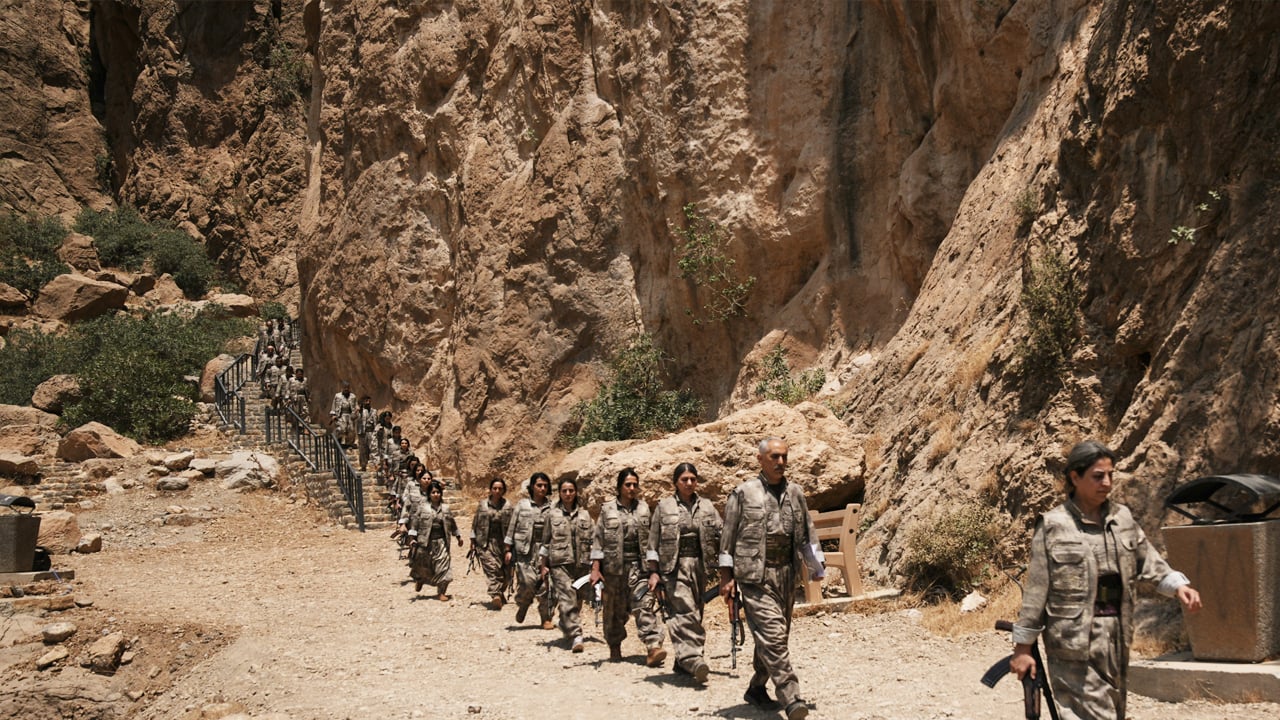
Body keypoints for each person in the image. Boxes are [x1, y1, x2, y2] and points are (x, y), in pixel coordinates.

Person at [1010, 440, 1202, 720]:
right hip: (1072, 643)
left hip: (1115, 636)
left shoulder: (1121, 518)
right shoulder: (1053, 525)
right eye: (1098, 476)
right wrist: (1023, 647)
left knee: (1113, 710)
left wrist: (1178, 585)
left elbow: (1146, 559)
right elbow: (1036, 591)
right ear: (1075, 477)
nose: (1107, 482)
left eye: (1110, 474)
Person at [719, 437, 823, 720]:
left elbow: (806, 533)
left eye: (784, 457)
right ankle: (791, 697)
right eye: (774, 457)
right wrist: (726, 577)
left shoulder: (795, 493)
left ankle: (755, 689)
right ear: (760, 459)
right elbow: (727, 538)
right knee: (774, 636)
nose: (780, 462)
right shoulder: (743, 493)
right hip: (754, 577)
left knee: (776, 637)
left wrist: (816, 566)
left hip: (786, 575)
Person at [646, 462, 723, 683]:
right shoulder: (664, 507)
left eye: (692, 479)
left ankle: (682, 663)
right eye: (684, 479)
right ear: (676, 483)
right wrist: (653, 573)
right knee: (685, 611)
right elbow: (653, 544)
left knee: (696, 612)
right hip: (674, 568)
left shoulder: (707, 506)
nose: (689, 483)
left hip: (700, 566)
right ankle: (693, 659)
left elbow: (722, 533)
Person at [589, 468, 665, 665]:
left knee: (644, 604)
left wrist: (655, 569)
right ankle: (615, 646)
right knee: (614, 610)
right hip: (614, 569)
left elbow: (651, 540)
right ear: (619, 487)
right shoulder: (607, 510)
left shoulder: (644, 508)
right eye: (628, 485)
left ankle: (653, 645)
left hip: (639, 568)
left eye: (635, 485)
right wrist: (596, 569)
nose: (632, 488)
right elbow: (598, 541)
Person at [539, 477, 595, 653]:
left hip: (582, 565)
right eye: (564, 491)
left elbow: (595, 540)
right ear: (560, 493)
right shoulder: (552, 515)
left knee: (577, 600)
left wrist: (596, 564)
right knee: (567, 598)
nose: (568, 494)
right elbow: (546, 541)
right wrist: (543, 564)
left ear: (576, 492)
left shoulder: (585, 515)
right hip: (560, 564)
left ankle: (566, 623)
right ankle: (576, 635)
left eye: (571, 490)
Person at [505, 472, 555, 628]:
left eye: (545, 486)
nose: (542, 488)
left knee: (546, 584)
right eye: (539, 485)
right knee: (527, 582)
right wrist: (508, 548)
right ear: (532, 487)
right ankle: (524, 604)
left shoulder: (553, 507)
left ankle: (546, 618)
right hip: (525, 550)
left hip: (545, 551)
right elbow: (512, 527)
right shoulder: (522, 505)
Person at [406, 479, 463, 600]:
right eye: (433, 492)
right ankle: (420, 580)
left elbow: (452, 524)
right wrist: (412, 538)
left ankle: (441, 592)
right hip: (426, 543)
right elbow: (415, 523)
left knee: (444, 567)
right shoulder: (422, 508)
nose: (436, 494)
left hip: (442, 542)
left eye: (438, 492)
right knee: (424, 567)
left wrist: (458, 537)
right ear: (429, 494)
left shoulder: (446, 509)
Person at [472, 478, 515, 610]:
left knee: (507, 573)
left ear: (504, 490)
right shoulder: (483, 505)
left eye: (500, 489)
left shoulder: (509, 506)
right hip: (485, 542)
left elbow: (514, 526)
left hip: (504, 543)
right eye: (494, 488)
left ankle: (500, 591)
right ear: (490, 489)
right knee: (492, 568)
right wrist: (472, 541)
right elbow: (475, 524)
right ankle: (495, 594)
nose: (497, 491)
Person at [329, 381, 358, 448]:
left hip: (350, 415)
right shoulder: (337, 396)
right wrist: (333, 414)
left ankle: (349, 443)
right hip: (340, 415)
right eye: (345, 387)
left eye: (347, 387)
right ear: (342, 388)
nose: (346, 389)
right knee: (341, 429)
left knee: (351, 430)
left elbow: (356, 405)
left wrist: (356, 411)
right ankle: (335, 440)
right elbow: (334, 405)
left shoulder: (353, 396)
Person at [356, 396, 377, 470]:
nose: (368, 402)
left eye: (369, 401)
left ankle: (374, 465)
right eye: (366, 401)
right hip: (362, 433)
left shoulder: (374, 411)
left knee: (372, 449)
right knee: (362, 449)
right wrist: (359, 411)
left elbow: (375, 422)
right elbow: (354, 418)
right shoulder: (360, 411)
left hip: (371, 431)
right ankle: (363, 465)